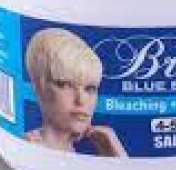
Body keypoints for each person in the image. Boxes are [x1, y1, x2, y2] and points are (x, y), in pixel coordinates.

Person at [24, 28, 127, 157]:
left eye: (90, 88)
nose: (81, 100)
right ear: (38, 88)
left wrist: (115, 152)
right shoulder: (29, 147)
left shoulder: (72, 150)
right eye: (64, 85)